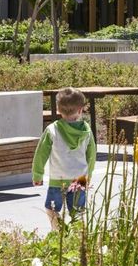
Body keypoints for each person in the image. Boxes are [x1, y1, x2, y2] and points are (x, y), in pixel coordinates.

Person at [32, 87, 96, 229]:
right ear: (80, 110)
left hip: (57, 179)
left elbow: (41, 154)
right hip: (79, 179)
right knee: (78, 213)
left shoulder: (52, 130)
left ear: (59, 110)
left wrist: (37, 174)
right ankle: (78, 240)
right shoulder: (86, 131)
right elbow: (91, 155)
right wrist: (89, 175)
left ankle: (60, 233)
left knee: (51, 209)